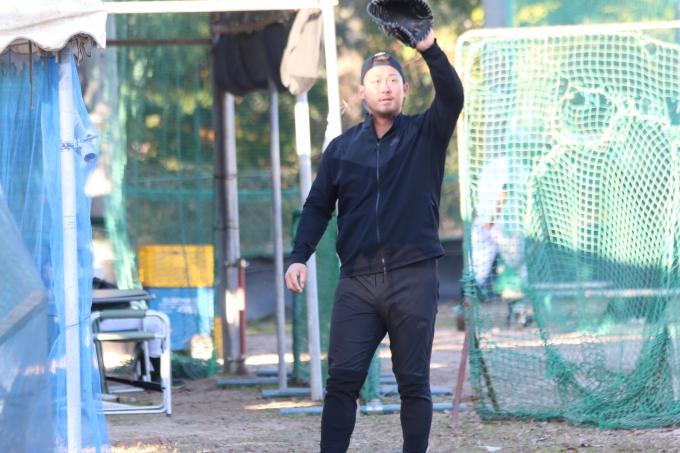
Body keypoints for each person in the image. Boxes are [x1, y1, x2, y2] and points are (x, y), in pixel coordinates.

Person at [285, 29, 464, 453]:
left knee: (413, 381)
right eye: (376, 81)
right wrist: (299, 256)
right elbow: (317, 207)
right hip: (357, 282)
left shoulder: (426, 134)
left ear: (405, 90)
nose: (385, 86)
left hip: (413, 276)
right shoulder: (341, 149)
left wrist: (429, 48)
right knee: (342, 380)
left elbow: (452, 97)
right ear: (361, 93)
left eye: (393, 80)